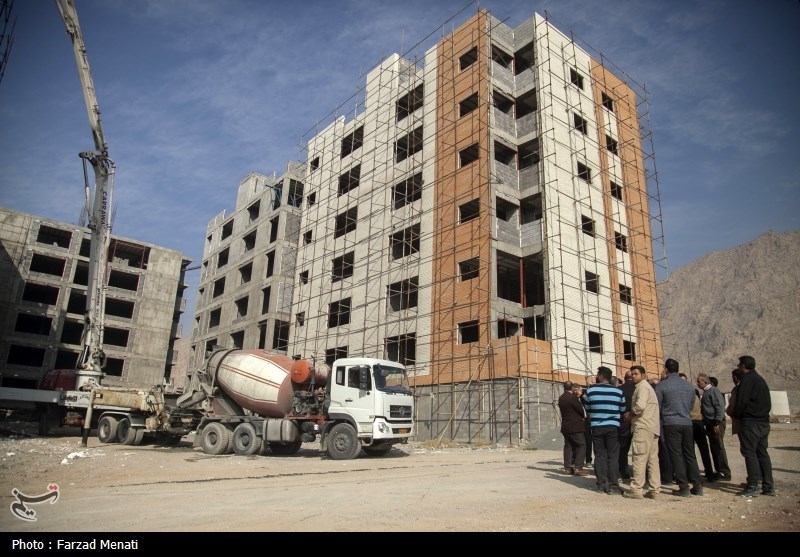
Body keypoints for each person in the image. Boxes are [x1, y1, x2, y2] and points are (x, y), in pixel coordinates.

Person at [655, 359, 703, 497]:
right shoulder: (688, 386)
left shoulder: (662, 386)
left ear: (666, 370)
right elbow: (691, 404)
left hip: (670, 423)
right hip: (687, 422)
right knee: (690, 454)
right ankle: (697, 485)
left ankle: (683, 486)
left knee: (676, 454)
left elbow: (657, 405)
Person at [731, 355, 774, 497]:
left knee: (749, 453)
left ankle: (753, 485)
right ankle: (768, 486)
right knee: (762, 453)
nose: (738, 367)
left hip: (751, 422)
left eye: (739, 365)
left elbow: (741, 401)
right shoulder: (760, 380)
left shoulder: (747, 380)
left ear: (743, 366)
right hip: (763, 422)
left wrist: (736, 415)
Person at [583, 366, 626, 495]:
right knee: (613, 455)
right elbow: (622, 410)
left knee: (599, 455)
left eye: (597, 374)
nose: (596, 375)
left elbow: (588, 408)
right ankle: (613, 484)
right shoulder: (618, 392)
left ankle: (601, 484)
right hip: (613, 426)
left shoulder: (591, 391)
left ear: (601, 375)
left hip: (597, 426)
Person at [622, 365, 660, 499]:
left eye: (636, 374)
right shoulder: (648, 387)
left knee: (639, 458)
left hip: (643, 426)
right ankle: (654, 490)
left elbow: (640, 406)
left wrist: (630, 415)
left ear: (643, 375)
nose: (633, 376)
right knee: (652, 460)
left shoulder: (642, 387)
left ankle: (636, 489)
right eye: (632, 374)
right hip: (652, 427)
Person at [697, 373, 732, 481]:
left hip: (716, 423)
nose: (698, 383)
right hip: (709, 423)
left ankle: (724, 472)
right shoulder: (707, 392)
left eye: (699, 381)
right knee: (714, 447)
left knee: (719, 447)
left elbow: (720, 407)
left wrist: (717, 422)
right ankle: (719, 470)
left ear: (705, 381)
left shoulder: (713, 391)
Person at [682, 372, 715, 483]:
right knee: (698, 450)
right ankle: (706, 474)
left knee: (693, 450)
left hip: (692, 422)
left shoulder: (684, 393)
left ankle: (697, 475)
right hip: (696, 422)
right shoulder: (693, 391)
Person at [558, 381, 587, 475]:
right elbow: (580, 410)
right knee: (581, 445)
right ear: (572, 388)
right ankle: (578, 467)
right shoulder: (572, 397)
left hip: (565, 425)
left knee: (568, 446)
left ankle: (567, 468)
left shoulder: (561, 397)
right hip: (575, 426)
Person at [618, 371, 635, 481]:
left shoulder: (620, 389)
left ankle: (623, 472)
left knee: (623, 448)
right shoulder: (639, 388)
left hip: (624, 420)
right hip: (638, 419)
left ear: (624, 378)